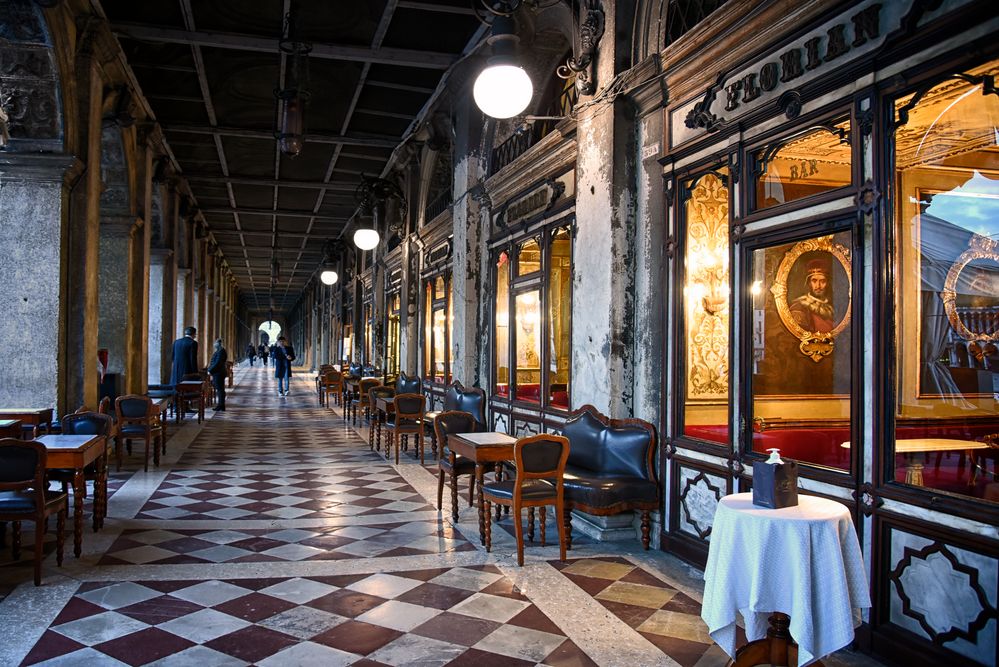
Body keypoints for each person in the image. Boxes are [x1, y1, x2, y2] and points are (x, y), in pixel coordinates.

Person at [789, 258, 835, 333]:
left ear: (828, 284)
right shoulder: (799, 307)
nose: (818, 286)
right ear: (809, 283)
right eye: (814, 281)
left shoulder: (831, 308)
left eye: (822, 281)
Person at [207, 338, 228, 411]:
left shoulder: (221, 351)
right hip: (218, 373)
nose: (214, 344)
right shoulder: (220, 351)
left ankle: (221, 405)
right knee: (220, 389)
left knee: (220, 390)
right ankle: (221, 405)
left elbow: (217, 363)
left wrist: (210, 370)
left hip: (219, 373)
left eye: (215, 343)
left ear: (218, 344)